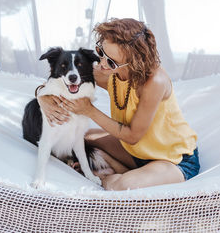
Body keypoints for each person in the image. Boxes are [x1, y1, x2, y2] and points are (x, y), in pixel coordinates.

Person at [37, 18, 200, 191]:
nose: (101, 64)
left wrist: (89, 110)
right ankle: (129, 168)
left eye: (111, 62)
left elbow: (132, 135)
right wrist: (42, 97)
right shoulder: (108, 70)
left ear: (134, 62)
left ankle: (112, 174)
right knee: (75, 137)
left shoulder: (155, 82)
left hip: (172, 158)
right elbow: (58, 79)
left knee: (122, 186)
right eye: (101, 52)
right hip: (135, 151)